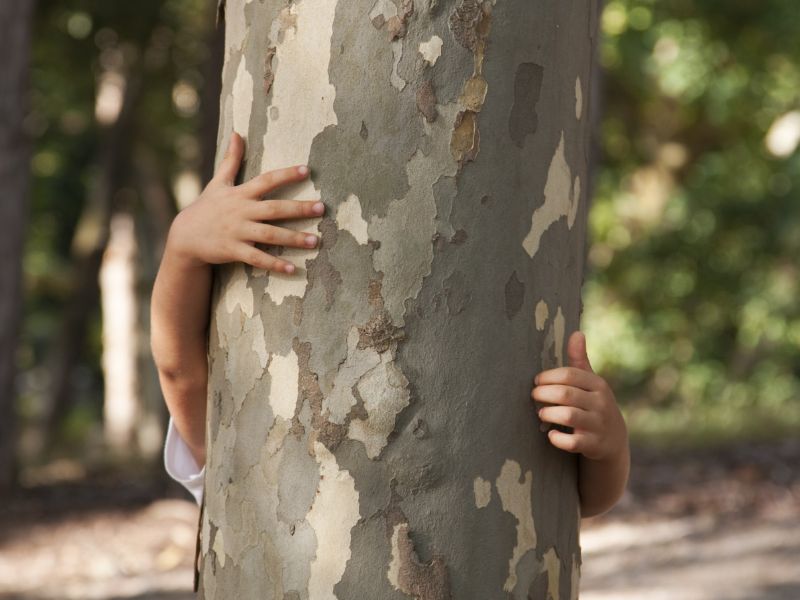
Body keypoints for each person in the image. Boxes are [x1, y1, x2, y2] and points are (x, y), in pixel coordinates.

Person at [151, 133, 630, 518]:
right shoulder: (245, 478)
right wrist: (184, 248)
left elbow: (569, 499)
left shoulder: (243, 472)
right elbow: (582, 501)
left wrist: (608, 443)